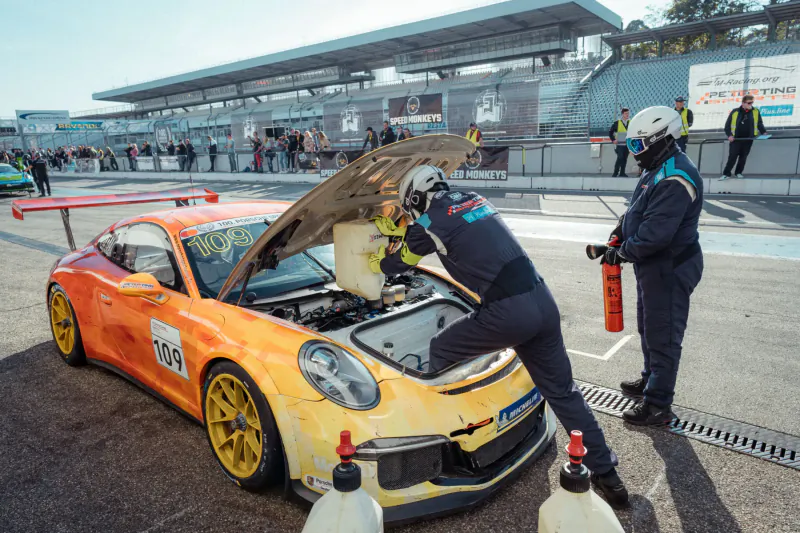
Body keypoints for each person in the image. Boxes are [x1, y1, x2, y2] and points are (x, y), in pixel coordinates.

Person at [367, 165, 628, 508]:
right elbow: (461, 233)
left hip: (508, 312)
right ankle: (610, 477)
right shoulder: (473, 198)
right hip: (542, 300)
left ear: (415, 197)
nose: (410, 214)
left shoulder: (429, 221)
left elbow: (400, 262)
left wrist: (376, 262)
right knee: (565, 394)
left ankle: (457, 439)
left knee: (440, 347)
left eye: (409, 207)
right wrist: (402, 229)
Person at [599, 106, 704, 426]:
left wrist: (622, 252)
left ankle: (658, 403)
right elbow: (639, 210)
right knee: (648, 327)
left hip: (669, 268)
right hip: (654, 267)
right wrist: (620, 229)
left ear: (661, 139)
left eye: (637, 145)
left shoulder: (675, 176)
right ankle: (650, 378)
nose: (634, 154)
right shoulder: (657, 165)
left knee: (664, 334)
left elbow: (655, 235)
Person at [721, 94, 767, 180]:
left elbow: (759, 123)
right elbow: (727, 126)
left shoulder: (755, 111)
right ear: (743, 103)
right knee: (732, 156)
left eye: (752, 103)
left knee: (743, 157)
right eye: (749, 103)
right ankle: (726, 173)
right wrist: (730, 135)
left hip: (748, 138)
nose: (750, 105)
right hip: (736, 139)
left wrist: (763, 131)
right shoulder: (735, 112)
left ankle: (738, 172)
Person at [609, 108, 631, 177]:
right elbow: (610, 132)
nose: (627, 115)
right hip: (619, 144)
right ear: (622, 114)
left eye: (628, 113)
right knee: (620, 157)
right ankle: (615, 172)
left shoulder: (630, 122)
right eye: (626, 113)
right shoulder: (617, 123)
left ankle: (622, 173)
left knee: (625, 158)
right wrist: (613, 140)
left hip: (627, 144)